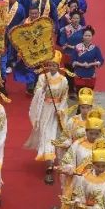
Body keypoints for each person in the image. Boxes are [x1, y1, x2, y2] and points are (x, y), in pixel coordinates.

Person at [26, 50, 69, 184]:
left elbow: (64, 97)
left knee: (53, 134)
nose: (51, 67)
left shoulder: (63, 80)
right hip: (45, 108)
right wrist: (43, 88)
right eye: (50, 65)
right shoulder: (42, 77)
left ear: (58, 66)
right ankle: (49, 162)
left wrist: (61, 110)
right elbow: (37, 92)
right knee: (45, 133)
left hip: (56, 111)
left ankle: (51, 160)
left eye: (54, 65)